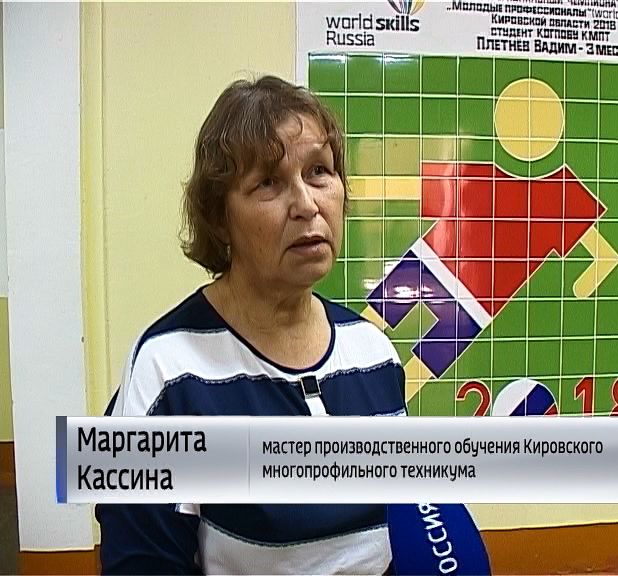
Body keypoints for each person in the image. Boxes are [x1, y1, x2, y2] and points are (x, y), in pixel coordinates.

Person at [95, 76, 406, 575]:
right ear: (220, 218)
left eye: (319, 172)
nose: (307, 204)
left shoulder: (374, 354)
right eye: (268, 182)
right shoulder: (165, 371)